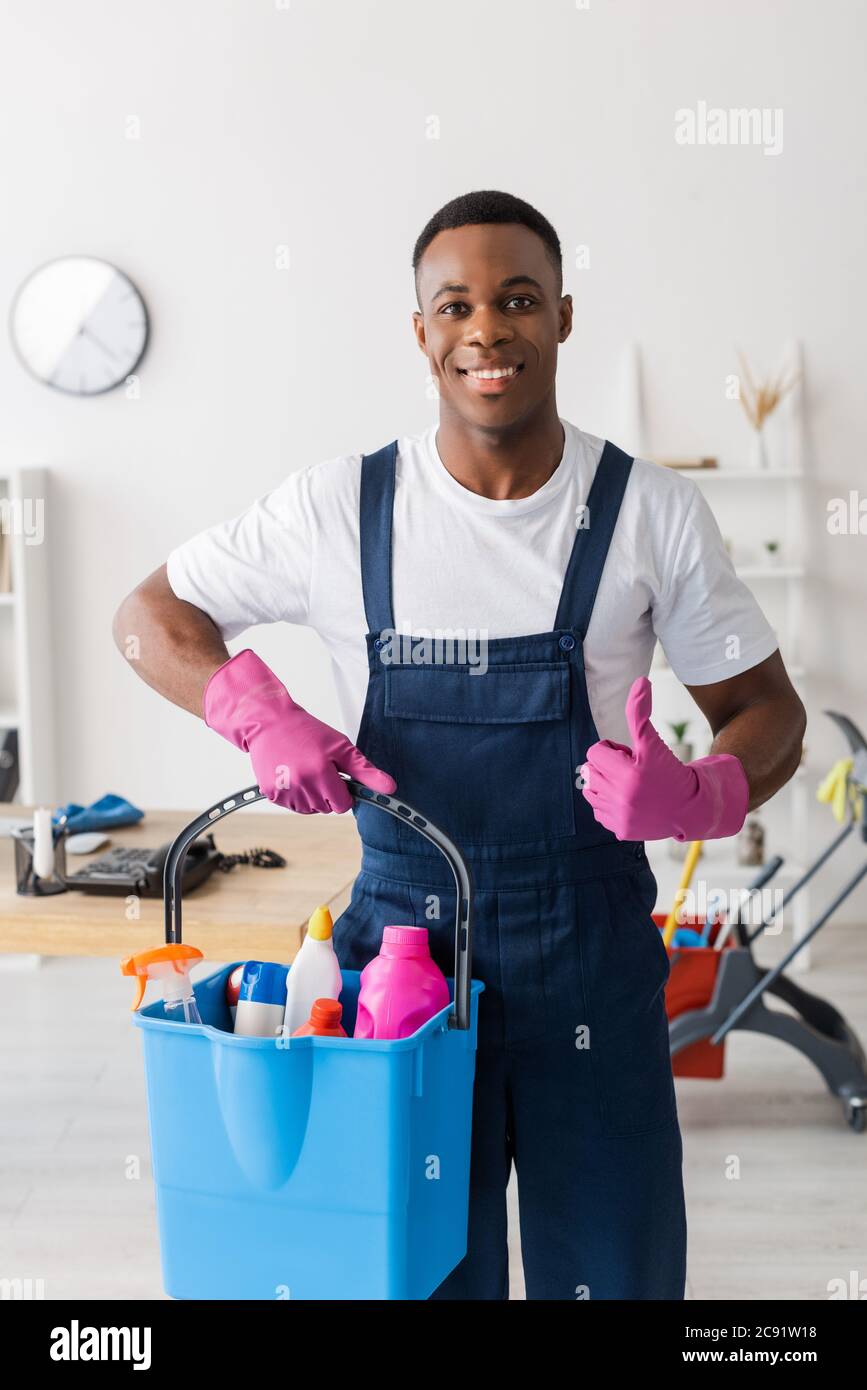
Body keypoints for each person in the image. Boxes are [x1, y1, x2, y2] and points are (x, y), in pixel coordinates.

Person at [113, 189, 806, 1300]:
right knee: (420, 1266)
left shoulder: (649, 512)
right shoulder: (338, 508)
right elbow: (148, 619)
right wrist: (255, 709)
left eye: (518, 298)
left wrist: (702, 791)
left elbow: (771, 709)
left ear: (564, 317)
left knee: (615, 1272)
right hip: (404, 968)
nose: (489, 328)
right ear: (423, 331)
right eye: (458, 304)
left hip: (592, 953)